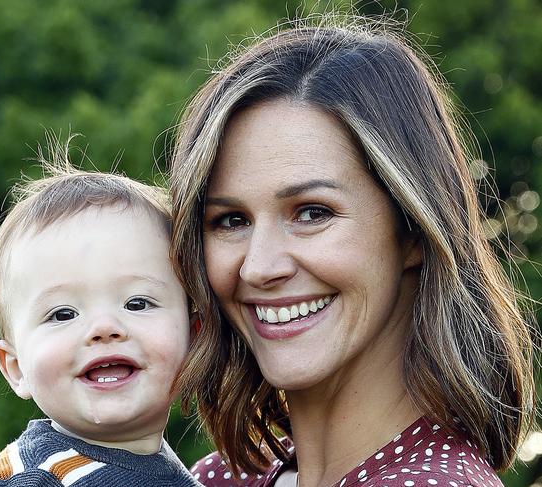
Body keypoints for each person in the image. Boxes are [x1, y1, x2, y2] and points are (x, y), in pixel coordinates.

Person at [169, 14, 535, 487]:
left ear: (413, 230)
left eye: (312, 213)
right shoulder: (220, 478)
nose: (259, 266)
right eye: (231, 220)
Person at [0, 137, 201, 486]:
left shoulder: (178, 475)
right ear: (16, 369)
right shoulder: (34, 477)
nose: (105, 327)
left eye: (137, 303)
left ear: (195, 338)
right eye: (62, 314)